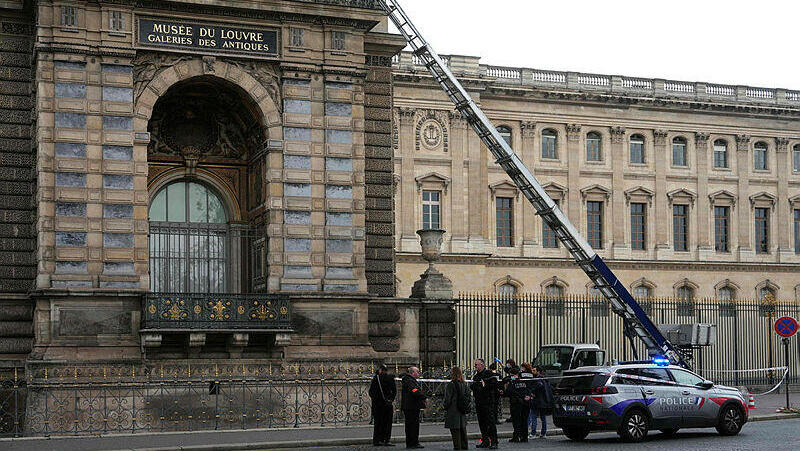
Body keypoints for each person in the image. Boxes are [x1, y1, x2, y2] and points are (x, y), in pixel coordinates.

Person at [471, 359, 499, 449]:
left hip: (487, 402)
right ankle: (485, 440)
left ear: (482, 365)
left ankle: (494, 441)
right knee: (482, 423)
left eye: (476, 364)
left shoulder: (489, 374)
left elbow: (493, 385)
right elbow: (473, 386)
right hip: (479, 402)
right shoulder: (476, 376)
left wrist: (484, 386)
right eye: (475, 365)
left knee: (490, 423)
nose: (475, 366)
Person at [370, 364, 397, 447]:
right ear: (386, 371)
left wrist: (376, 400)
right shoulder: (390, 378)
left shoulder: (376, 379)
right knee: (387, 423)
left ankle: (377, 440)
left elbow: (371, 392)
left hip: (377, 405)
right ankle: (386, 439)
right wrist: (390, 399)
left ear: (380, 370)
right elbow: (394, 391)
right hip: (387, 404)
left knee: (378, 423)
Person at [502, 366, 532, 443]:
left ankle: (516, 437)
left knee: (516, 421)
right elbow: (529, 389)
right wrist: (527, 396)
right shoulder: (523, 380)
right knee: (524, 420)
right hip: (526, 403)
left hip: (516, 403)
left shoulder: (512, 382)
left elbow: (509, 391)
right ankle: (524, 437)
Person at [443, 366, 469, 450]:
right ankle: (464, 445)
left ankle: (457, 446)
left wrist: (445, 406)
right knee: (462, 429)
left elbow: (448, 398)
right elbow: (468, 395)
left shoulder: (451, 384)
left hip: (453, 409)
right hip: (462, 409)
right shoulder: (464, 383)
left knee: (455, 430)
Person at [401, 366, 427, 449]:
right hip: (411, 407)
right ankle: (413, 442)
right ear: (412, 373)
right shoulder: (409, 381)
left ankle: (412, 442)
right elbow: (414, 390)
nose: (418, 373)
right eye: (417, 372)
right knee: (412, 426)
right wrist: (423, 396)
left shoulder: (410, 380)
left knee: (412, 426)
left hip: (411, 406)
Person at [530, 365, 553, 439]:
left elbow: (539, 386)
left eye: (534, 370)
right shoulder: (545, 379)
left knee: (534, 417)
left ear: (538, 372)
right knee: (543, 418)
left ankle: (533, 433)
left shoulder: (537, 379)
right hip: (544, 401)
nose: (532, 372)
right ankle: (543, 433)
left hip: (537, 401)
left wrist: (533, 392)